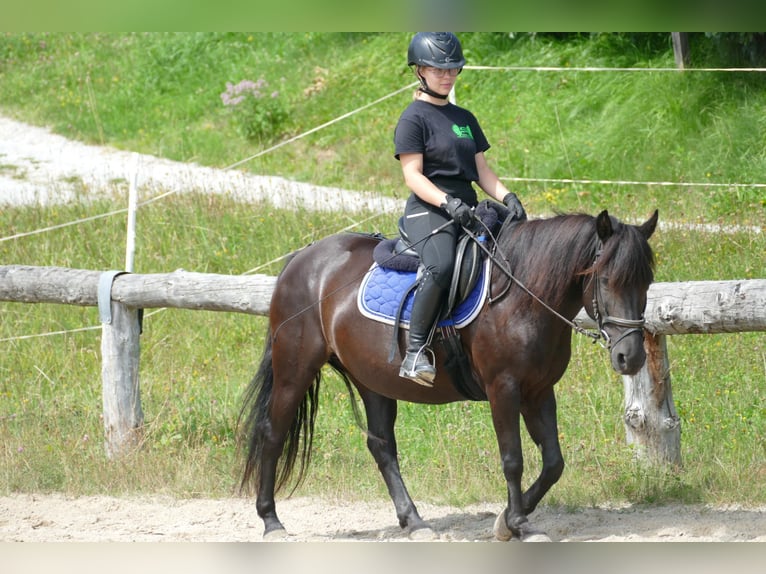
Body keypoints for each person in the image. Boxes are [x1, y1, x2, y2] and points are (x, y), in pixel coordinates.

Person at [394, 32, 526, 387]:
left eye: (453, 69)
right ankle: (416, 352)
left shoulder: (464, 117)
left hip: (466, 207)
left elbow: (482, 171)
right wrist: (446, 202)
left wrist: (508, 196)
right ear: (420, 70)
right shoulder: (413, 118)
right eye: (439, 69)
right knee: (441, 265)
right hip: (429, 208)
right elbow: (412, 176)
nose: (448, 75)